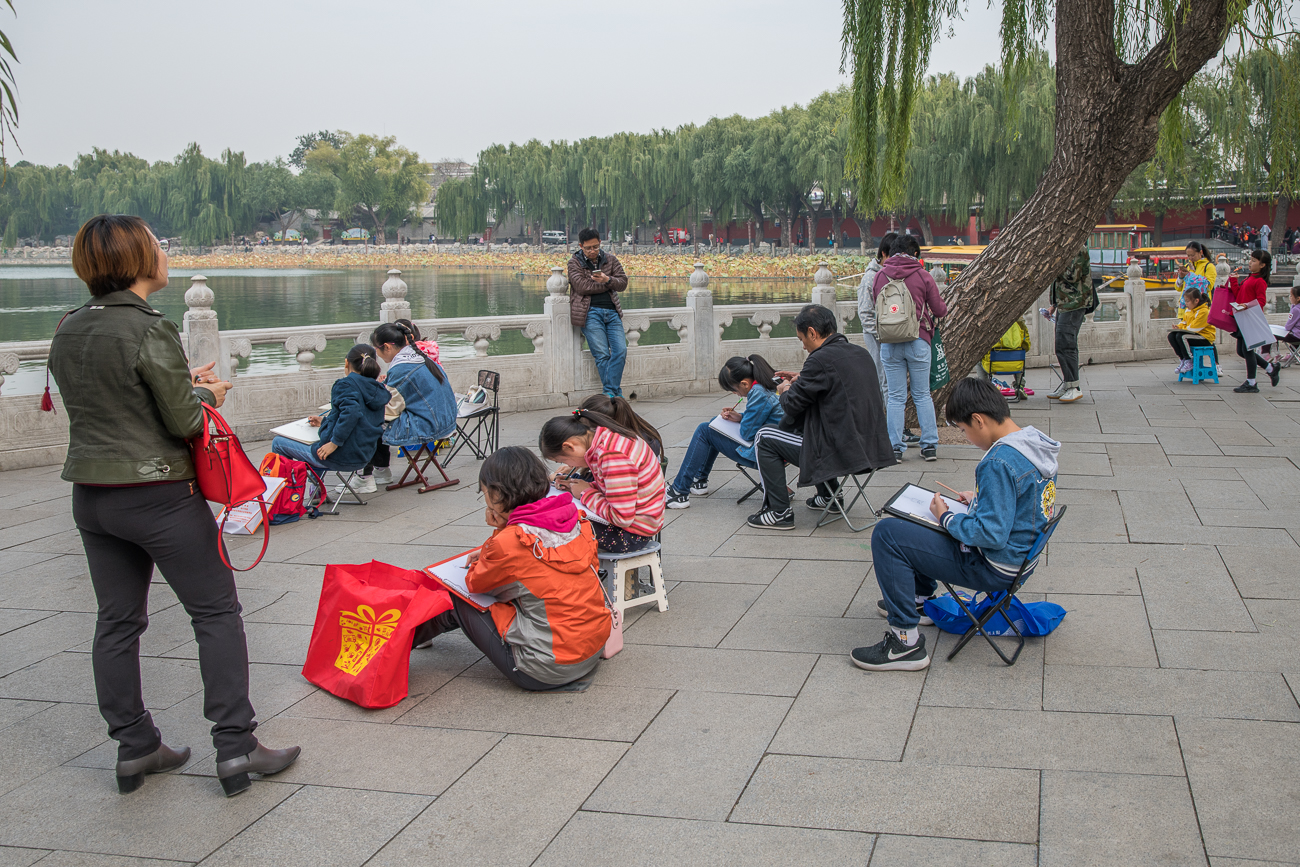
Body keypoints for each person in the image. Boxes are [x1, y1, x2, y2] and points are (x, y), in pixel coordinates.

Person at [48, 214, 299, 798]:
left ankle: (134, 746)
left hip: (92, 496)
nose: (164, 253)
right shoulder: (148, 327)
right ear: (137, 259)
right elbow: (185, 420)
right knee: (214, 612)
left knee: (117, 621)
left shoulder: (70, 326)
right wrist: (204, 392)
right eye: (157, 245)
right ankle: (235, 747)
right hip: (158, 493)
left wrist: (177, 382)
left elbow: (115, 401)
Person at [853, 377, 1060, 671]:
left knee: (888, 533)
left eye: (964, 430)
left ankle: (904, 643)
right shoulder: (1033, 444)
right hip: (1021, 561)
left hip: (994, 567)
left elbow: (989, 534)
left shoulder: (998, 461)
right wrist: (979, 499)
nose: (966, 437)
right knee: (918, 525)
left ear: (979, 420)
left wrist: (947, 517)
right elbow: (1024, 504)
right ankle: (920, 600)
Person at [411, 447, 610, 690]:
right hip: (591, 649)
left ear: (497, 493)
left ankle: (402, 640)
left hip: (545, 669)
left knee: (457, 597)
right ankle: (414, 634)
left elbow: (476, 583)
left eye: (484, 492)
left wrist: (499, 535)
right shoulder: (574, 518)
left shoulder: (510, 542)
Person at [747, 304, 894, 530]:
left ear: (812, 333)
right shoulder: (860, 353)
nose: (803, 345)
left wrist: (784, 389)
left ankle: (779, 512)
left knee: (764, 437)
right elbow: (836, 383)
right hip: (872, 447)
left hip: (840, 452)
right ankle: (828, 497)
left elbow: (792, 405)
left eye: (802, 338)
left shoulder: (819, 360)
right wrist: (803, 377)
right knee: (812, 426)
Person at [665, 354, 785, 509]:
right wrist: (740, 417)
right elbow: (764, 416)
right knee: (714, 427)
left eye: (734, 390)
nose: (736, 394)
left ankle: (679, 491)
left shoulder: (758, 392)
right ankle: (699, 480)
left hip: (765, 452)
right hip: (777, 446)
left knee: (705, 430)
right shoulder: (765, 384)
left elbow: (747, 433)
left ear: (744, 383)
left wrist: (742, 421)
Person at [540, 407, 665, 553]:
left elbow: (621, 518)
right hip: (635, 525)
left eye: (563, 460)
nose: (568, 466)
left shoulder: (612, 455)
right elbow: (616, 489)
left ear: (569, 447)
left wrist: (585, 493)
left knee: (554, 519)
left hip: (631, 535)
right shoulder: (607, 438)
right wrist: (581, 486)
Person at [269, 344, 390, 489]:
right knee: (319, 444)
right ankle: (316, 493)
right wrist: (324, 421)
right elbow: (361, 420)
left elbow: (352, 412)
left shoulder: (345, 384)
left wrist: (334, 443)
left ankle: (288, 495)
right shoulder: (377, 389)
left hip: (341, 456)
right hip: (364, 456)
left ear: (346, 362)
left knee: (279, 443)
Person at [872, 233, 948, 460]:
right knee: (922, 394)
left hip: (889, 343)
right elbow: (940, 310)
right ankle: (929, 446)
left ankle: (894, 447)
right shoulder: (922, 275)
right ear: (915, 253)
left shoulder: (879, 276)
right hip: (918, 340)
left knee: (895, 397)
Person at [370, 321, 458, 449]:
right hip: (447, 421)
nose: (376, 353)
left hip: (430, 426)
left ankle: (379, 467)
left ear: (387, 347)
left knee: (367, 421)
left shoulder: (401, 369)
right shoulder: (420, 357)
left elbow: (391, 409)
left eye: (376, 348)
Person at [568, 227, 629, 397]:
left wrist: (607, 279)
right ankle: (614, 395)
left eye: (595, 247)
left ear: (600, 243)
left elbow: (623, 283)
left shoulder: (610, 260)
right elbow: (581, 287)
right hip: (590, 313)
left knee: (621, 351)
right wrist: (608, 284)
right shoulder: (574, 263)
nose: (592, 251)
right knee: (602, 355)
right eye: (588, 248)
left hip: (612, 311)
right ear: (581, 246)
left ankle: (610, 393)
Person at [1225, 249, 1277, 392]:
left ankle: (1252, 382)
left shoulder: (1259, 281)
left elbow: (1261, 301)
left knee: (1247, 351)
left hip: (1249, 319)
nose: (1250, 262)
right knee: (1241, 351)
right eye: (1251, 260)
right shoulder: (1249, 278)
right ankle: (1270, 368)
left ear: (1262, 265)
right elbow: (1239, 295)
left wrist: (1246, 305)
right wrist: (1234, 281)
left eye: (1254, 260)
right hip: (1242, 318)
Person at [1046, 246, 1092, 403]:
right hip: (1065, 304)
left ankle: (1074, 387)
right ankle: (1067, 384)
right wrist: (1053, 304)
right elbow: (1057, 282)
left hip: (1075, 303)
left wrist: (1053, 264)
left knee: (1067, 343)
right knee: (1060, 344)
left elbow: (1072, 276)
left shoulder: (1077, 247)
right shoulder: (1062, 248)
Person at [857, 232, 897, 401]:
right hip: (878, 336)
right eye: (893, 256)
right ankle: (885, 423)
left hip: (893, 336)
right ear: (883, 254)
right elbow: (865, 314)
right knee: (884, 380)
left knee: (891, 382)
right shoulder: (870, 278)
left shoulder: (894, 275)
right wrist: (881, 334)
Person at [1167, 277, 1217, 376]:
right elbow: (1185, 322)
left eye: (1188, 301)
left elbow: (1194, 328)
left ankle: (1190, 360)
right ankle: (1183, 359)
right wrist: (1178, 327)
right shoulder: (1189, 309)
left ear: (1196, 301)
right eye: (1185, 301)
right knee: (1171, 335)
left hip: (1204, 337)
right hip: (1193, 334)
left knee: (1181, 336)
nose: (1186, 304)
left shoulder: (1204, 311)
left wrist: (1181, 329)